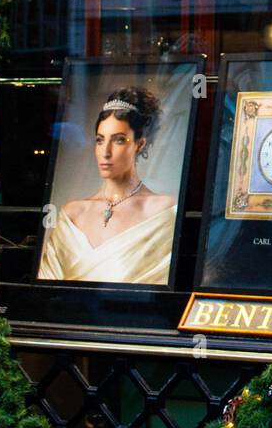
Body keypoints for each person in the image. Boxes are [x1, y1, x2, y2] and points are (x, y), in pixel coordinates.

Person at [38, 87, 177, 285]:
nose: (106, 152)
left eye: (119, 140)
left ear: (140, 144)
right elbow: (46, 291)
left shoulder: (164, 212)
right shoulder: (72, 213)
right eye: (100, 140)